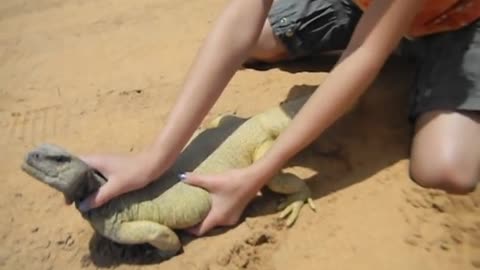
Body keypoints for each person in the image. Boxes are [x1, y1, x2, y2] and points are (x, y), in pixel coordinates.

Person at [77, 0, 480, 236]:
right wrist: (156, 157)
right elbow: (237, 24)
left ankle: (411, 51)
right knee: (255, 42)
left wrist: (259, 173)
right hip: (366, 6)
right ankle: (396, 38)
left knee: (446, 169)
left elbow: (363, 58)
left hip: (460, 20)